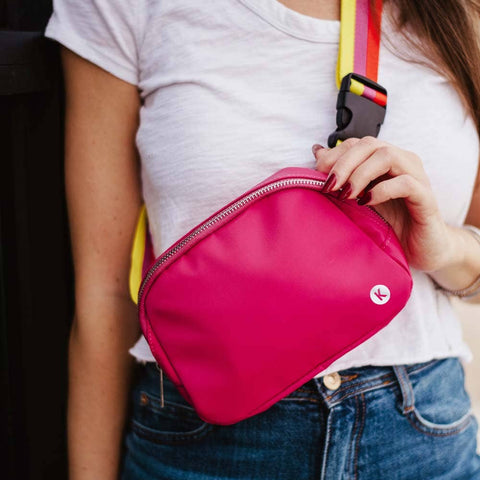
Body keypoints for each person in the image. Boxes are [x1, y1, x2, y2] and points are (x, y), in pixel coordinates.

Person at [44, 0, 480, 478]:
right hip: (204, 438)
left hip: (419, 434)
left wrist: (442, 247)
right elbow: (103, 297)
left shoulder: (460, 14)